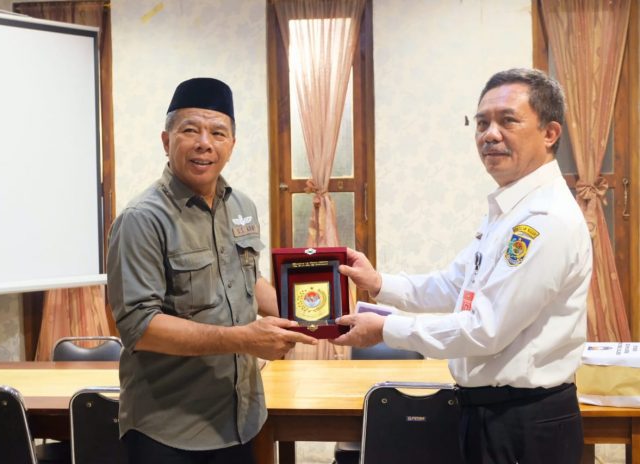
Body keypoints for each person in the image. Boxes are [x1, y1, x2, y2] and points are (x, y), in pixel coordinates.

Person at [332, 68, 592, 464]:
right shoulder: (509, 209)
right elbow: (456, 286)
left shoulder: (545, 218)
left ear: (550, 133)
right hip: (487, 413)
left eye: (508, 120)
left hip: (524, 422)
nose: (490, 134)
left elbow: (485, 329)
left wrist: (386, 329)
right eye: (482, 122)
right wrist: (379, 283)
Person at [107, 77, 317, 464]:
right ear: (166, 140)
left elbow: (248, 280)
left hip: (240, 419)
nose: (205, 142)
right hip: (170, 429)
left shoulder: (242, 206)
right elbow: (140, 326)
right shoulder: (142, 219)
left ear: (231, 146)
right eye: (190, 130)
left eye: (218, 132)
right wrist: (243, 339)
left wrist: (309, 312)